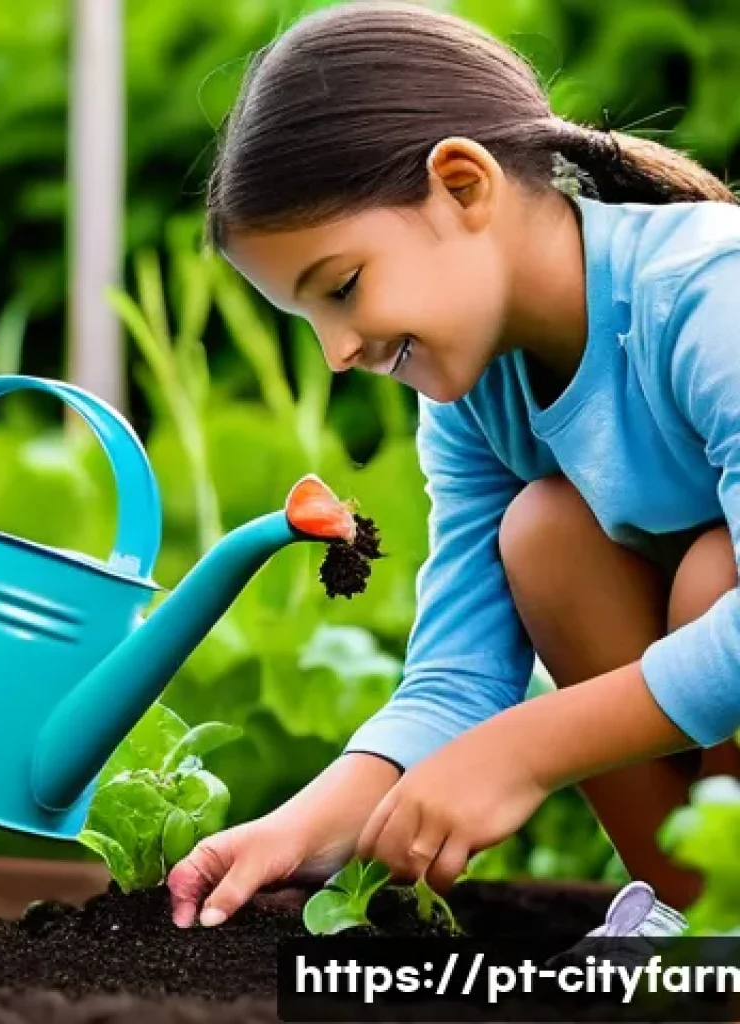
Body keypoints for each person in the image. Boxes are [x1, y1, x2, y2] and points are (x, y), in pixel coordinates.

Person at [167, 0, 740, 930]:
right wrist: (303, 826)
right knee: (546, 536)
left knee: (720, 574)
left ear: (464, 185)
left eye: (342, 288)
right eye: (307, 320)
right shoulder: (473, 394)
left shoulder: (708, 296)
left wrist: (527, 749)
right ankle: (708, 929)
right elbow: (460, 677)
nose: (338, 353)